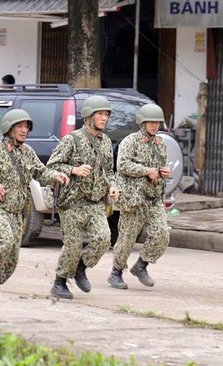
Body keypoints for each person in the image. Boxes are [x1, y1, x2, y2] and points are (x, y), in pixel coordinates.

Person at [0, 109, 69, 288]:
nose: (24, 130)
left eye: (26, 127)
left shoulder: (27, 152)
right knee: (5, 240)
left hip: (15, 211)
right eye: (19, 126)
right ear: (9, 128)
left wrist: (56, 175)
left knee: (12, 261)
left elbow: (41, 172)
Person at [46, 95, 120, 299]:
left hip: (95, 202)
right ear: (88, 117)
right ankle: (59, 282)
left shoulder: (105, 142)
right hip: (71, 203)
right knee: (73, 245)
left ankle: (80, 267)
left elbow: (109, 171)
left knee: (103, 239)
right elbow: (52, 166)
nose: (104, 118)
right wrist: (74, 170)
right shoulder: (72, 139)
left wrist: (113, 186)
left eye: (106, 114)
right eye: (100, 114)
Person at [108, 104, 171, 289]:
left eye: (157, 122)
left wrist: (163, 172)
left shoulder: (160, 144)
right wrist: (147, 171)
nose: (154, 126)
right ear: (142, 123)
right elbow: (122, 166)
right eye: (150, 122)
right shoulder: (130, 141)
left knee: (161, 234)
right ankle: (116, 272)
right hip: (134, 199)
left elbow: (160, 167)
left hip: (153, 198)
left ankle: (141, 265)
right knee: (127, 238)